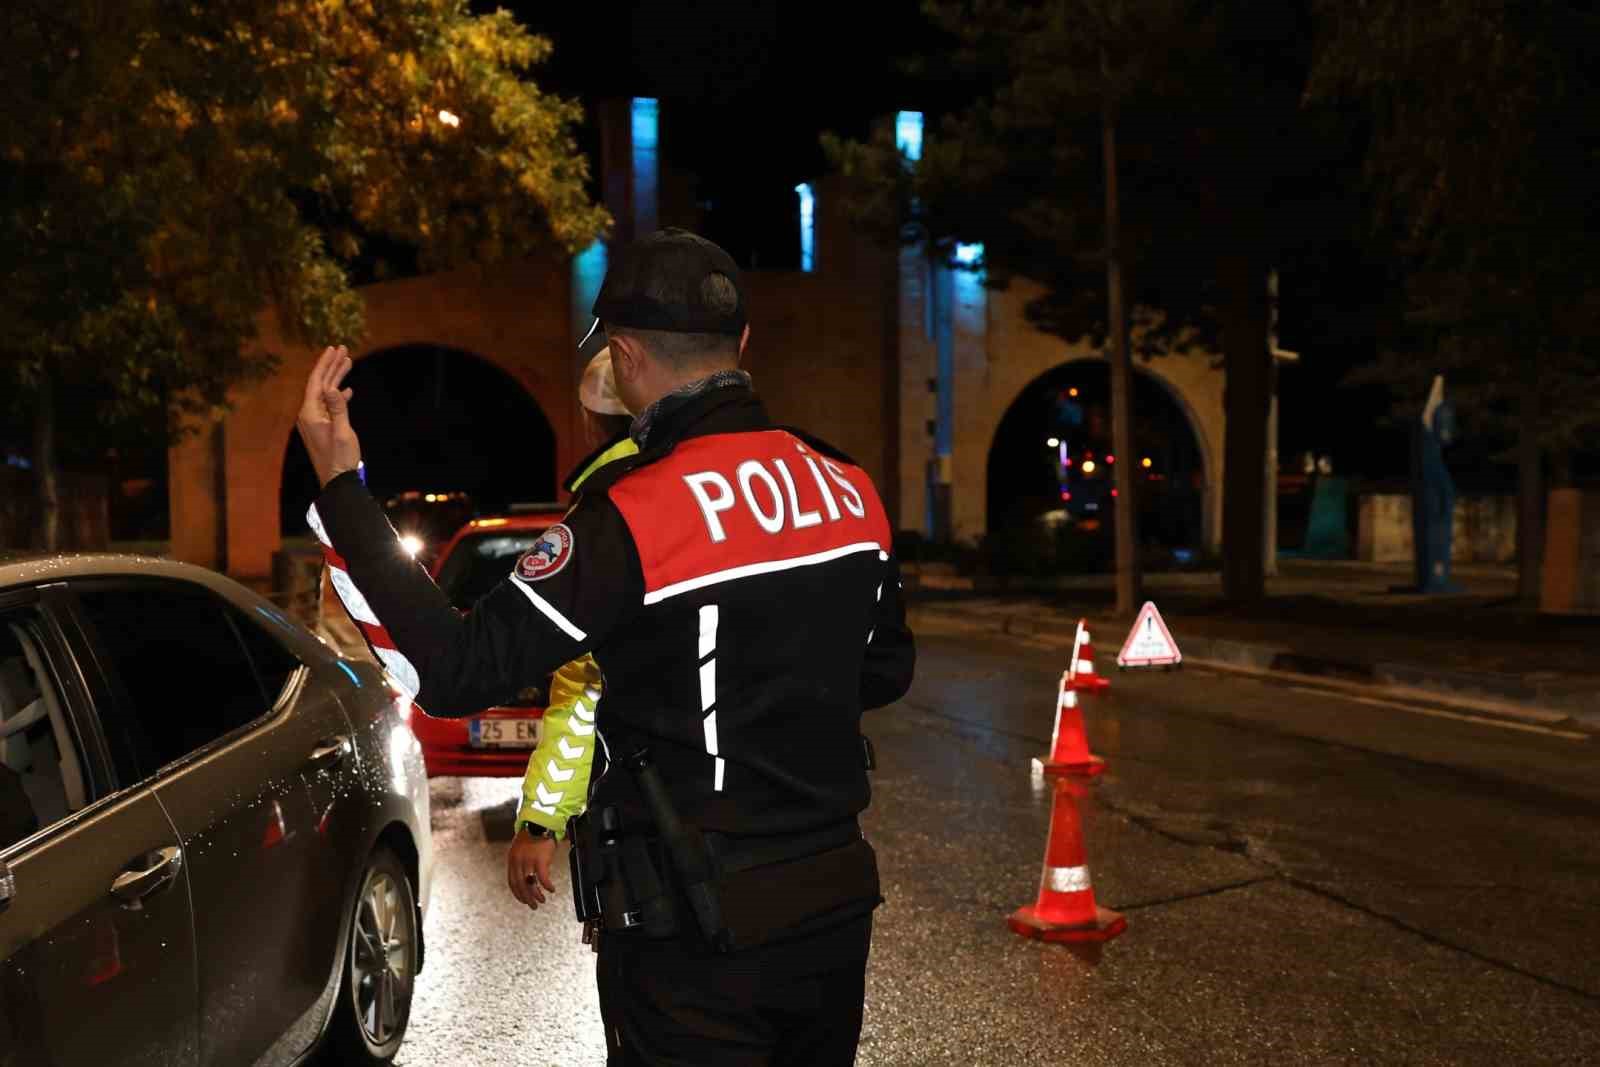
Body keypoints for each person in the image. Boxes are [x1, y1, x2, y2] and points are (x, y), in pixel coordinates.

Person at [298, 227, 915, 1066]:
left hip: (694, 935)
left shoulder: (630, 517)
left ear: (623, 357)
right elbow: (885, 667)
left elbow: (453, 669)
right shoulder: (849, 487)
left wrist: (342, 488)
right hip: (834, 911)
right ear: (741, 343)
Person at [506, 345, 636, 911]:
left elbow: (582, 695)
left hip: (651, 823)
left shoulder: (604, 523)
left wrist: (540, 821)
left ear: (590, 421)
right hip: (794, 826)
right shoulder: (745, 494)